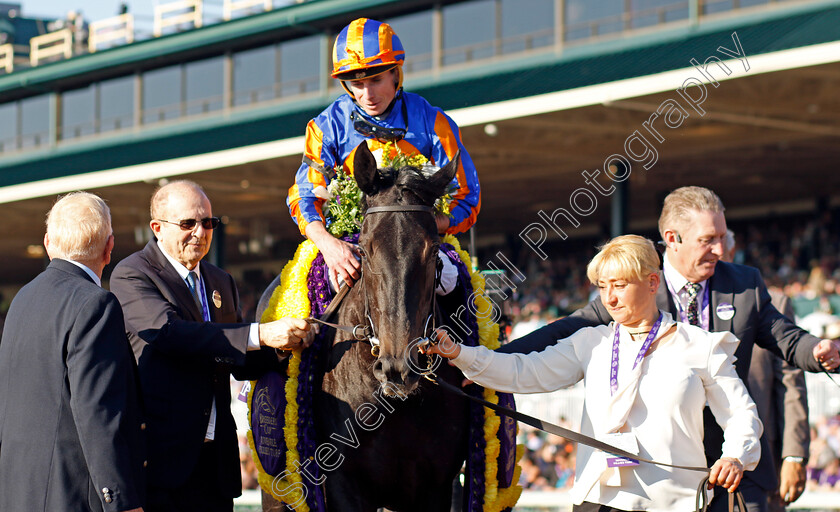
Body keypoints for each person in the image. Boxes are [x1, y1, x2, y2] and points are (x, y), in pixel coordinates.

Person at [500, 186, 840, 512]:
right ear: (672, 239)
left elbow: (787, 337)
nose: (721, 250)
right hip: (660, 475)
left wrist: (818, 351)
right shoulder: (633, 288)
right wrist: (498, 359)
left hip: (734, 468)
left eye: (722, 237)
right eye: (709, 240)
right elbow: (564, 330)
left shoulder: (745, 284)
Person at [427, 235, 762, 512]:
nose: (610, 298)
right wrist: (460, 353)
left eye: (619, 285)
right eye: (602, 286)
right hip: (595, 500)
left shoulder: (701, 345)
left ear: (652, 282)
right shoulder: (590, 342)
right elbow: (523, 372)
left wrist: (735, 455)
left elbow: (741, 414)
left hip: (673, 502)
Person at [110, 180, 315, 512]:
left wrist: (287, 346)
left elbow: (236, 361)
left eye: (208, 222)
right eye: (188, 223)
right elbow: (171, 334)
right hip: (163, 465)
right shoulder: (132, 274)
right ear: (157, 228)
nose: (200, 232)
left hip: (215, 467)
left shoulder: (220, 280)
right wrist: (260, 334)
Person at [286, 17, 480, 288]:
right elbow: (304, 196)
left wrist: (424, 222)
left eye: (376, 80)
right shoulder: (324, 127)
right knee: (321, 292)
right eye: (357, 84)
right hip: (350, 243)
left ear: (395, 74)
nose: (367, 94)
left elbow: (467, 196)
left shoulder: (434, 122)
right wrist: (329, 245)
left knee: (450, 283)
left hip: (422, 239)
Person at [0, 192, 145, 512]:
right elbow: (98, 412)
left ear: (48, 242)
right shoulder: (96, 304)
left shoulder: (21, 300)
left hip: (18, 492)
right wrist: (119, 500)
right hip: (74, 496)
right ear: (109, 248)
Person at [723, 229, 810, 510]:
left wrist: (793, 456)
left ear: (732, 254)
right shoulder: (676, 307)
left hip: (761, 461)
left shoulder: (772, 303)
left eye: (721, 248)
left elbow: (791, 385)